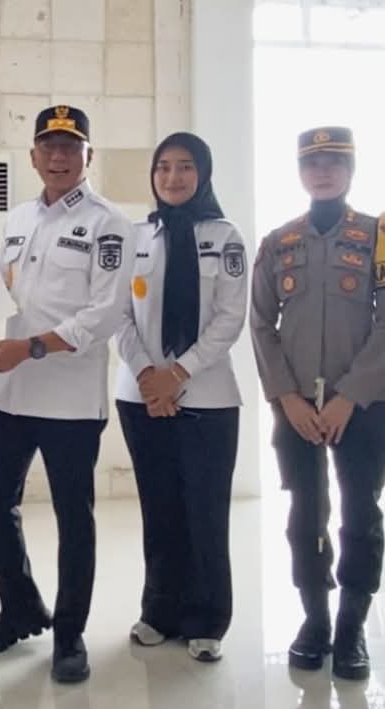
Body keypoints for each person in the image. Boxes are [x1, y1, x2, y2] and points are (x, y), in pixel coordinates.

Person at [0, 105, 134, 684]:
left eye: (70, 147)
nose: (59, 157)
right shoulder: (17, 218)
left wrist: (32, 347)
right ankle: (19, 609)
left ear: (88, 156)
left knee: (72, 519)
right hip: (8, 393)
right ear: (33, 155)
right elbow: (0, 292)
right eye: (49, 146)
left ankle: (69, 635)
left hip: (69, 403)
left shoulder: (109, 224)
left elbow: (105, 314)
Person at [250, 126, 385, 681]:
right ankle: (314, 620)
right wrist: (287, 398)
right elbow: (260, 324)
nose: (323, 171)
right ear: (300, 171)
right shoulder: (279, 241)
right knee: (305, 515)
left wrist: (348, 397)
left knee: (361, 516)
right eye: (312, 163)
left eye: (334, 162)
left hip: (361, 406)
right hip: (296, 407)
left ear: (351, 169)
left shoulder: (380, 235)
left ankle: (351, 626)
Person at [114, 132, 247, 663]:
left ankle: (207, 619)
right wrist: (149, 374)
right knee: (159, 508)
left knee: (205, 512)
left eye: (185, 166)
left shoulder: (225, 237)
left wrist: (179, 373)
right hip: (140, 394)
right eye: (164, 167)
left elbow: (230, 318)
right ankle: (159, 611)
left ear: (203, 174)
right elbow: (118, 316)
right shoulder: (135, 237)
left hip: (208, 398)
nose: (173, 177)